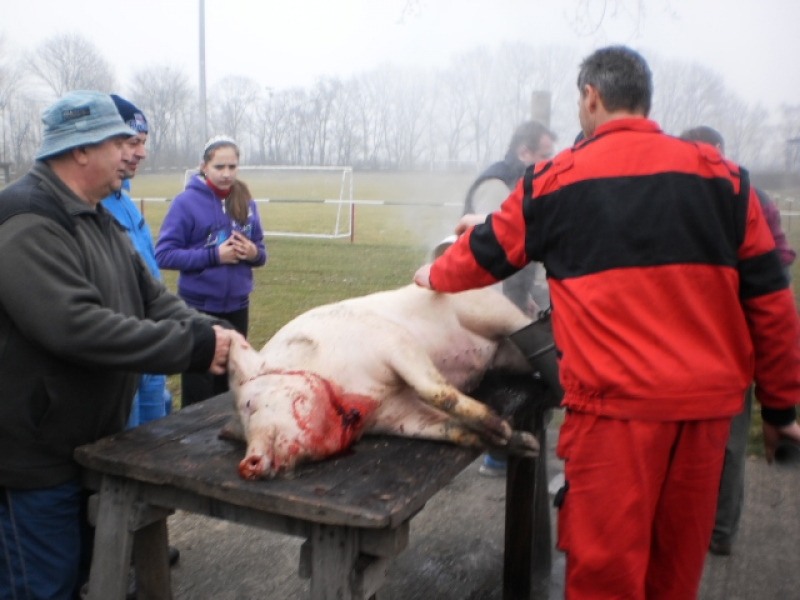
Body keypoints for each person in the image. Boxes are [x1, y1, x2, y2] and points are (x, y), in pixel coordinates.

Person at [413, 46, 800, 599]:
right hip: (706, 415)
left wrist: (432, 275)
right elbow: (772, 303)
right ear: (645, 102)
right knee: (674, 575)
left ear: (591, 97)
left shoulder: (555, 180)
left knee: (605, 580)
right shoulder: (727, 181)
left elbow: (484, 254)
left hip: (615, 416)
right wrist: (782, 409)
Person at [0, 91, 239, 600]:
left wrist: (218, 334)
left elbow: (152, 298)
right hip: (33, 459)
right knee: (39, 587)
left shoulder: (96, 215)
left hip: (89, 446)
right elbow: (75, 326)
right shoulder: (25, 219)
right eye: (119, 142)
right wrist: (194, 348)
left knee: (89, 575)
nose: (137, 152)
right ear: (81, 150)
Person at [680, 125, 797, 557]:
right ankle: (716, 530)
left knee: (718, 439)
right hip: (717, 331)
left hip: (717, 331)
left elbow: (778, 261)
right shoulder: (747, 194)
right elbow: (779, 260)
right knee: (722, 437)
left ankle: (716, 530)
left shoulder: (737, 197)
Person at [463, 120, 556, 477]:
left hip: (508, 297)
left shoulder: (521, 181)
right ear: (524, 152)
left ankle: (509, 453)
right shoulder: (496, 184)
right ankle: (498, 456)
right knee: (503, 376)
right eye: (545, 154)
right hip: (488, 302)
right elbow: (493, 246)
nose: (551, 161)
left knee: (518, 375)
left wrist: (525, 295)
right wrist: (508, 299)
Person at [156, 135, 267, 407]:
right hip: (198, 308)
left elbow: (261, 251)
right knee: (198, 387)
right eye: (219, 167)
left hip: (238, 307)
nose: (226, 173)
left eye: (232, 166)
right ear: (204, 166)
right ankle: (192, 444)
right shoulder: (185, 203)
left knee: (229, 385)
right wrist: (214, 255)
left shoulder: (246, 203)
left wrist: (253, 253)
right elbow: (164, 254)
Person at [101, 95, 172, 428]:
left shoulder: (125, 202)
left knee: (155, 439)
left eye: (143, 142)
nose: (141, 152)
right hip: (120, 354)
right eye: (132, 142)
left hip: (150, 348)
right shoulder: (86, 206)